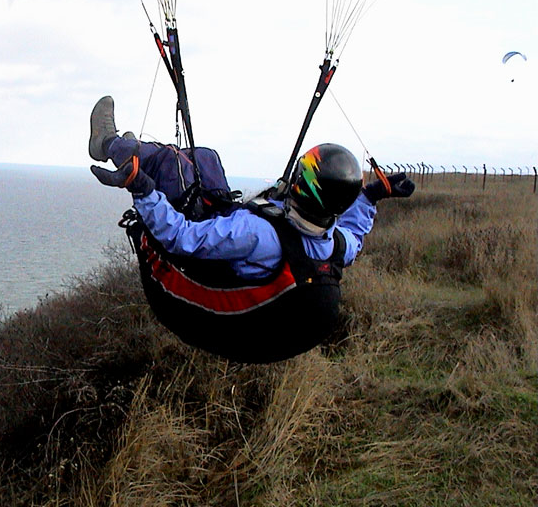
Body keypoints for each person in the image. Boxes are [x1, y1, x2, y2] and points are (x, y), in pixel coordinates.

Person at [88, 96, 415, 363]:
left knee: (172, 163)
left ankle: (109, 144)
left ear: (301, 189)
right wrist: (371, 197)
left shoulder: (258, 234)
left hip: (202, 270)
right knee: (206, 158)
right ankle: (137, 151)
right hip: (244, 287)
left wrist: (143, 189)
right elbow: (355, 235)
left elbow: (183, 238)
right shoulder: (332, 245)